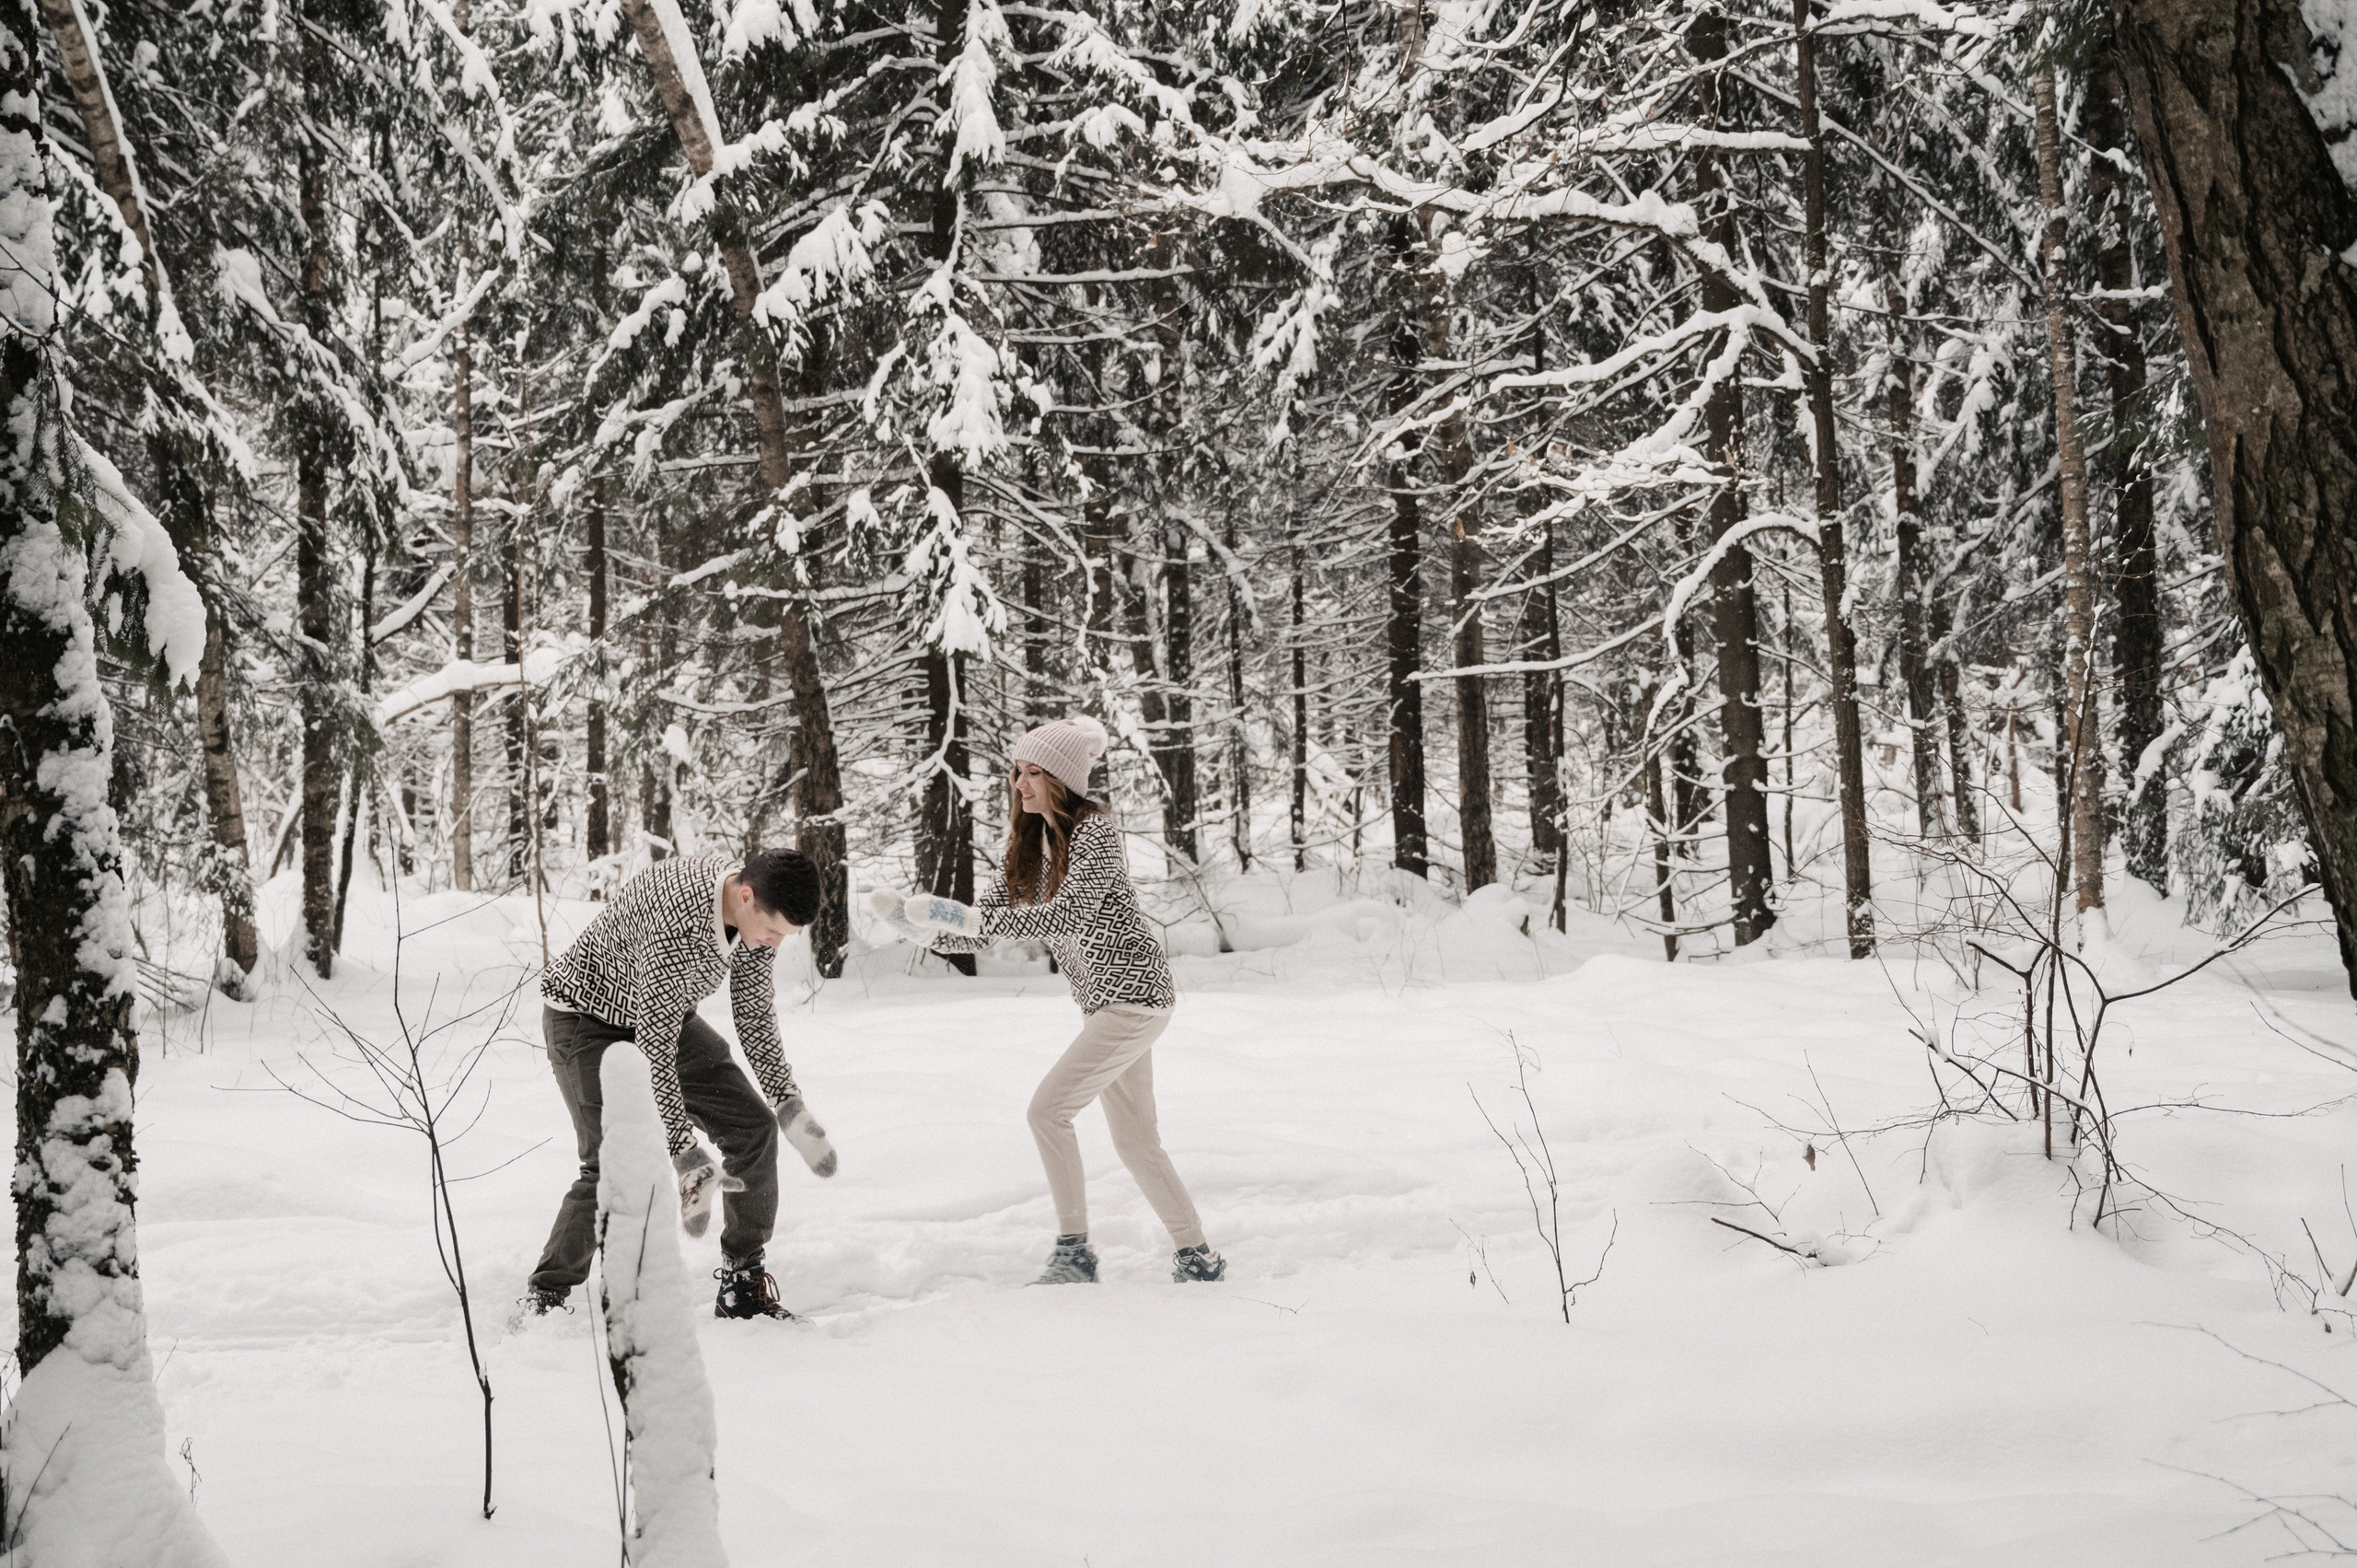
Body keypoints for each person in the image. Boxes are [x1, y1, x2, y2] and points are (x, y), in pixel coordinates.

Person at [875, 715, 1225, 1287]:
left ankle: (1074, 1253)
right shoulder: (1029, 844)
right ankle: (1198, 1256)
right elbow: (982, 929)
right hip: (1105, 1006)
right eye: (1017, 771)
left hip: (1134, 998)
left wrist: (969, 918)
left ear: (1062, 781)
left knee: (1047, 1112)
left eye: (1034, 772)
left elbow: (1070, 914)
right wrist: (923, 931)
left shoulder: (1094, 833)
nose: (1020, 783)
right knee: (1137, 1141)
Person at [518, 847, 838, 1324]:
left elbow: (753, 1014)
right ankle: (544, 1300)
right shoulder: (679, 920)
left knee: (752, 1127)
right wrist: (684, 1153)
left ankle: (742, 1284)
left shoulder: (752, 917)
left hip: (662, 1017)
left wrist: (787, 1103)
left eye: (784, 936)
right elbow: (654, 1050)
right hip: (587, 1020)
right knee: (612, 1164)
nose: (774, 944)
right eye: (774, 931)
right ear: (746, 897)